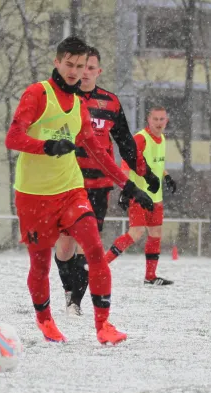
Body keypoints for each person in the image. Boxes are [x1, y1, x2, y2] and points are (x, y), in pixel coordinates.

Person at [5, 36, 154, 345]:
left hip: (72, 190)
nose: (75, 72)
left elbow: (100, 152)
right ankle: (45, 320)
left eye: (82, 66)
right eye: (69, 64)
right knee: (40, 264)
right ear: (57, 63)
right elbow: (13, 137)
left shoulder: (78, 105)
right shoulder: (37, 94)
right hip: (33, 195)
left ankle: (103, 326)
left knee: (95, 251)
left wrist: (129, 184)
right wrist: (46, 146)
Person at [54, 47, 160, 316]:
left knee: (89, 244)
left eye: (91, 68)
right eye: (81, 67)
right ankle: (69, 289)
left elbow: (126, 145)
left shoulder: (110, 102)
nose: (85, 73)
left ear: (98, 71)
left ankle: (75, 302)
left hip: (100, 185)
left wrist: (145, 174)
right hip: (67, 183)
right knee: (65, 244)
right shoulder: (63, 99)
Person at [105, 106, 176, 285]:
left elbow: (156, 163)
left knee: (155, 233)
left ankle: (150, 277)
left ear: (166, 121)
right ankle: (102, 264)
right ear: (148, 120)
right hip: (139, 195)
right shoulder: (140, 138)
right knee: (136, 233)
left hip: (156, 197)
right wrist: (126, 189)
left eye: (162, 119)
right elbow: (126, 164)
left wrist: (167, 177)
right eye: (155, 119)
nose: (159, 123)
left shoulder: (162, 139)